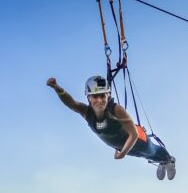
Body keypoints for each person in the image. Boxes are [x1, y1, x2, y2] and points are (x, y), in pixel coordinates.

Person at [47, 75, 176, 180]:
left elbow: (134, 135)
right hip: (123, 147)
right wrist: (56, 87)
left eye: (102, 96)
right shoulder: (86, 112)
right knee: (144, 156)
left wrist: (122, 153)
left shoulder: (116, 109)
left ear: (107, 96)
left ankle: (169, 160)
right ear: (88, 97)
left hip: (138, 140)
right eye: (95, 96)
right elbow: (71, 103)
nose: (99, 100)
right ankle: (162, 162)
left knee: (151, 151)